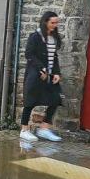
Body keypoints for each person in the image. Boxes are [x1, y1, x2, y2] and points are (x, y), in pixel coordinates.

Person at [20, 11, 63, 142]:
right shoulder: (35, 37)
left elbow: (54, 58)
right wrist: (41, 69)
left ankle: (44, 129)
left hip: (49, 75)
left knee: (55, 99)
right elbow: (29, 55)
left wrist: (56, 73)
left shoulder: (54, 37)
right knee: (30, 102)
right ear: (45, 22)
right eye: (52, 23)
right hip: (36, 75)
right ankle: (24, 130)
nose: (55, 25)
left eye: (56, 23)